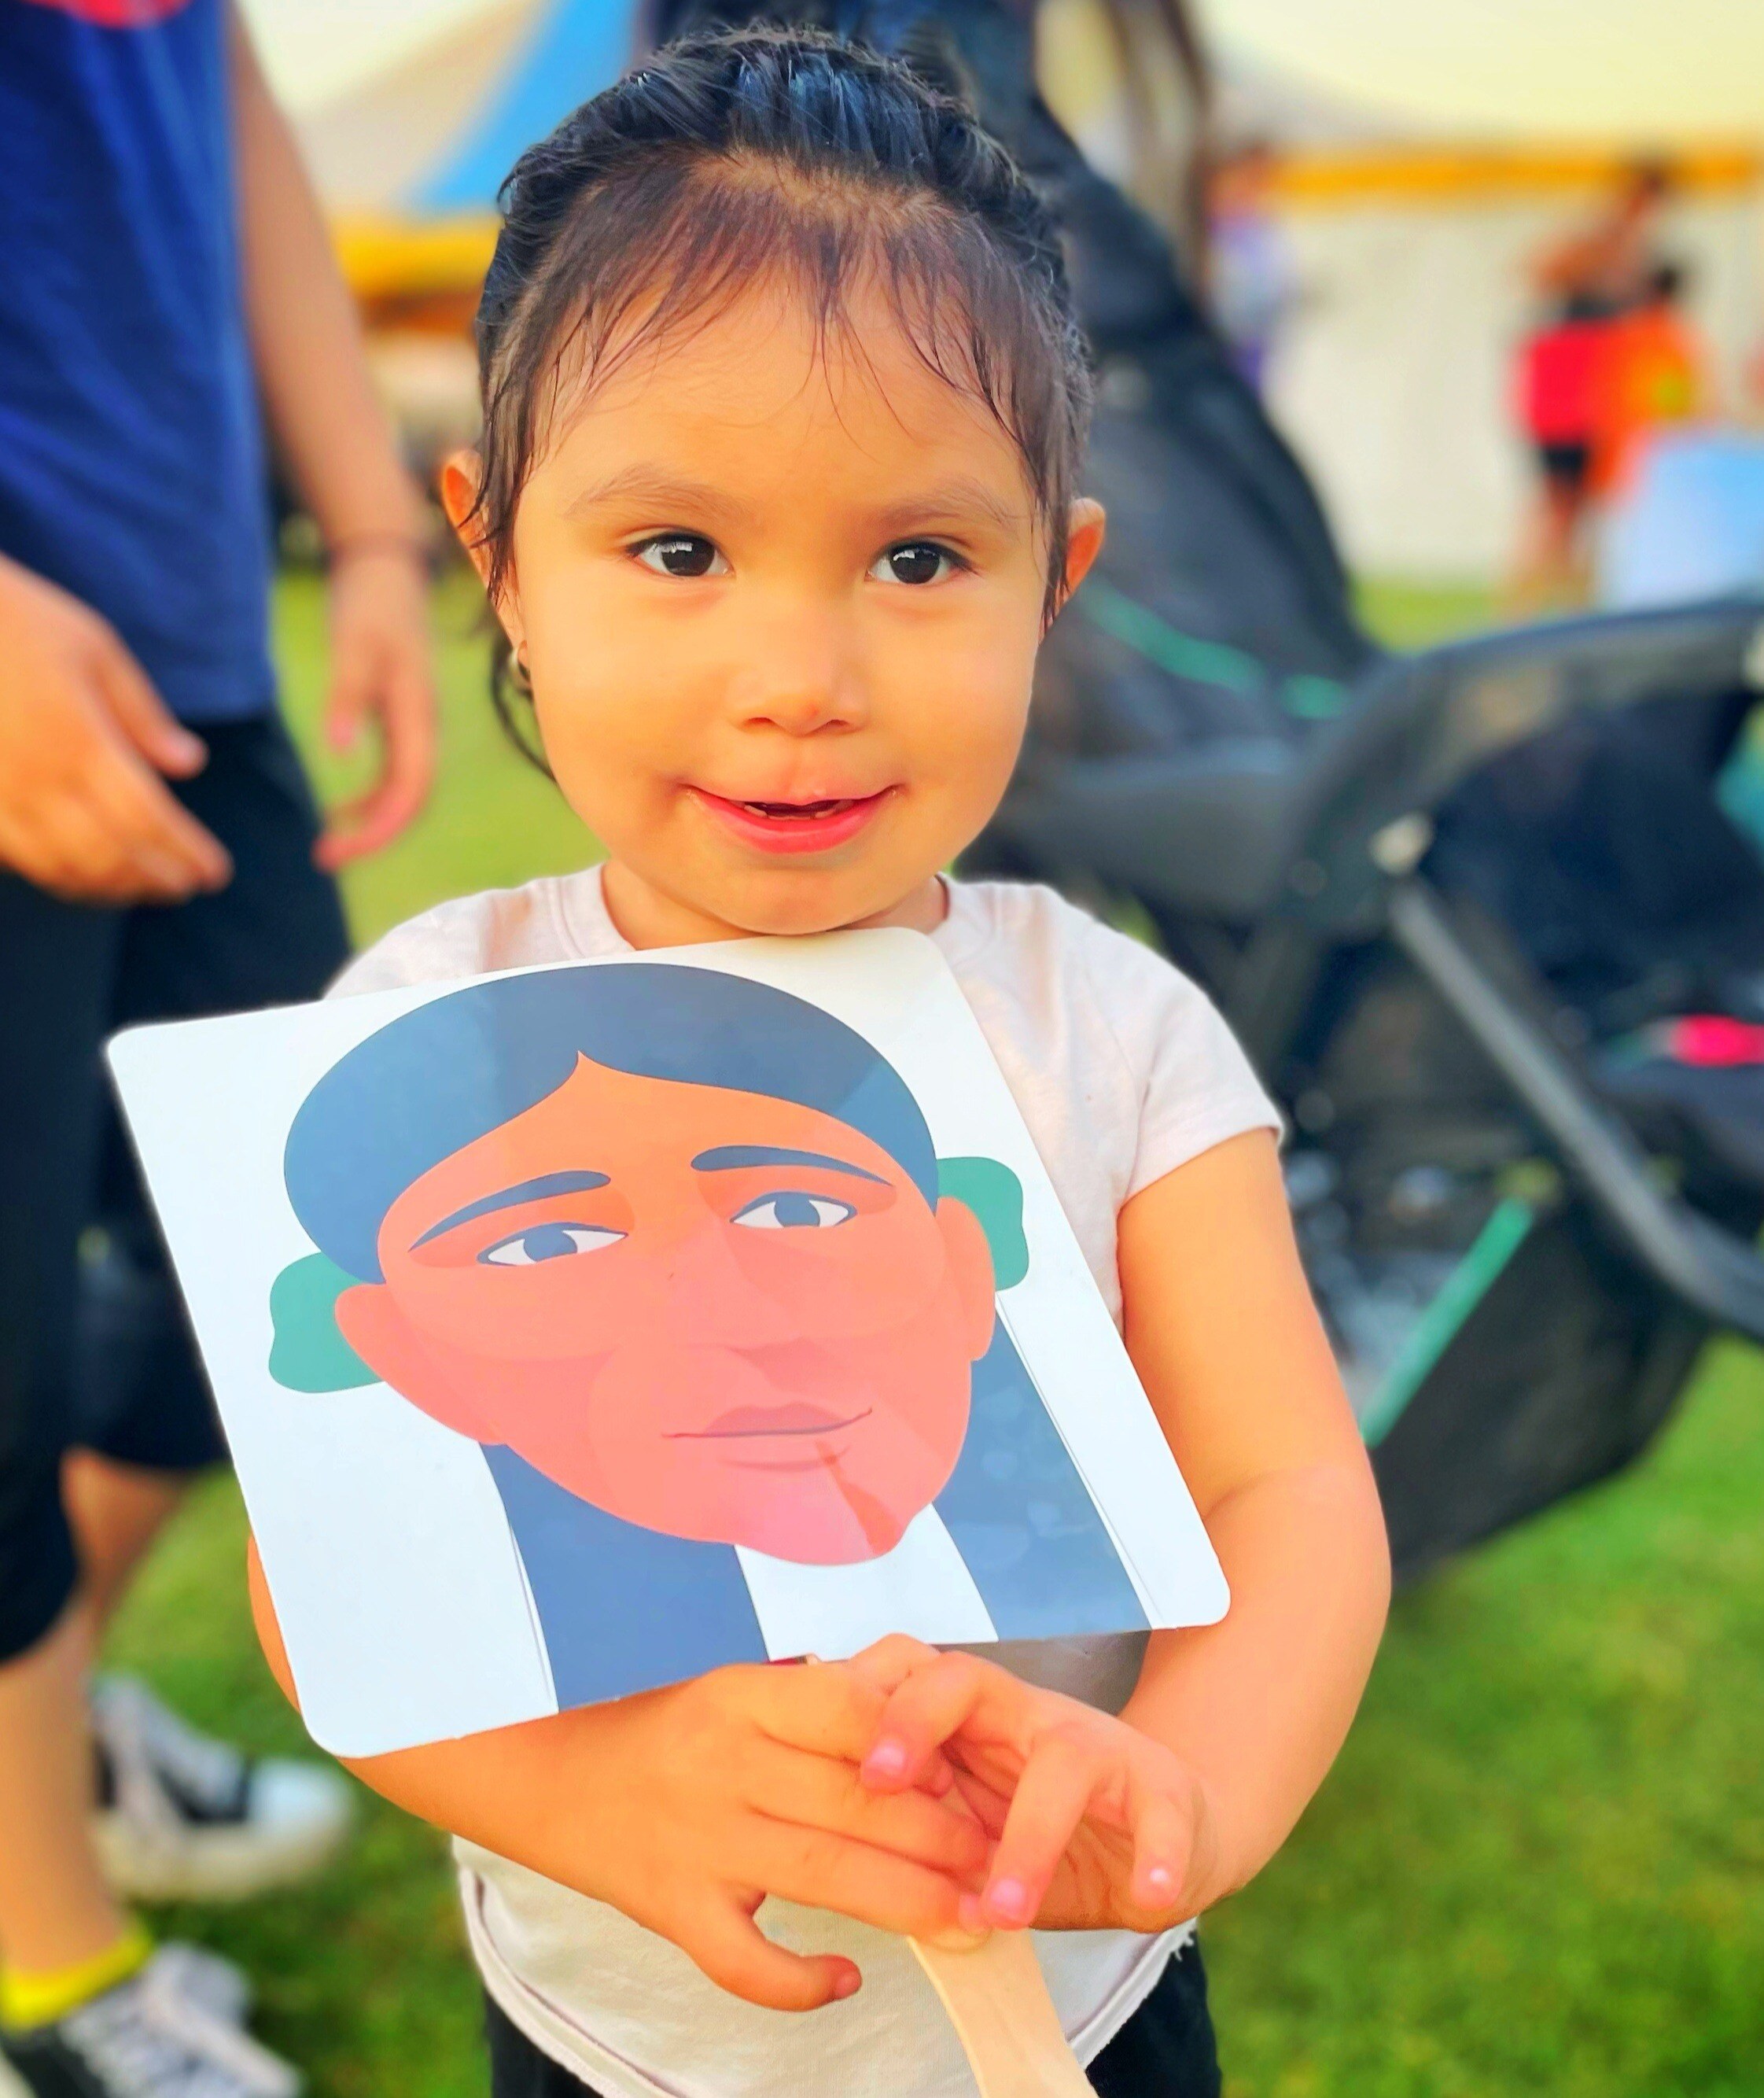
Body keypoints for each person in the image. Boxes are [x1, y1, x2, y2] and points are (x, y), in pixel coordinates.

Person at [248, 29, 1390, 2098]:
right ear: (496, 552)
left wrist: (1185, 1796)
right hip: (615, 2022)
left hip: (1074, 1994)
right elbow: (340, 1577)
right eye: (677, 552)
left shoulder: (1109, 1027)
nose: (800, 684)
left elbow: (1288, 1483)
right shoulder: (419, 1030)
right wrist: (610, 1796)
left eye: (919, 559)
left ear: (1056, 574)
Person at [0, 2, 436, 2093]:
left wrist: (362, 526)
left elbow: (216, 106)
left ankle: (42, 1723)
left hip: (188, 684)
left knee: (289, 1280)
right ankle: (43, 1983)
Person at [1509, 160, 1674, 609]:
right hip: (1567, 394)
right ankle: (1528, 594)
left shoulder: (1633, 254)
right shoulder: (1589, 245)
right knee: (1558, 503)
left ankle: (1560, 595)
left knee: (1585, 504)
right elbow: (1535, 275)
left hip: (1598, 396)